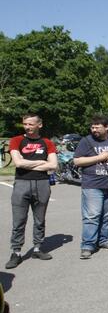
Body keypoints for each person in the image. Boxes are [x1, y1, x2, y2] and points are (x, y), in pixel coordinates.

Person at [72, 115, 108, 259]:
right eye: (92, 127)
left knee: (107, 215)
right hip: (92, 184)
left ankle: (103, 240)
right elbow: (77, 161)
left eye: (97, 127)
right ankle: (88, 245)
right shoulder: (86, 141)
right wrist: (100, 157)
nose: (94, 129)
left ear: (107, 127)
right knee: (92, 216)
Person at [5, 114, 57, 269]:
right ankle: (16, 252)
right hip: (21, 183)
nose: (27, 127)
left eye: (30, 124)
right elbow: (18, 163)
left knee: (39, 220)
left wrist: (30, 163)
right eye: (25, 124)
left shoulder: (47, 142)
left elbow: (53, 165)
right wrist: (42, 162)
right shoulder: (16, 140)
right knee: (19, 221)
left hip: (42, 184)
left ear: (39, 125)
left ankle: (37, 248)